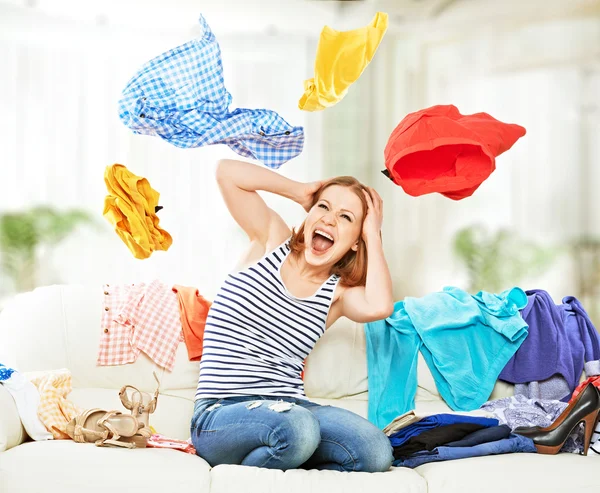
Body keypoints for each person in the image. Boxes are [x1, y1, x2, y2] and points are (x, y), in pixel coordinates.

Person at [190, 158, 395, 472]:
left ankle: (275, 463)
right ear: (310, 213)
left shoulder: (337, 295)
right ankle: (279, 461)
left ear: (355, 241)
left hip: (291, 408)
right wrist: (299, 191)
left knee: (376, 450)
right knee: (299, 430)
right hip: (221, 414)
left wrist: (372, 233)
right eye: (323, 207)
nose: (329, 220)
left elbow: (380, 305)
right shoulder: (272, 239)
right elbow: (227, 173)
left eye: (345, 217)